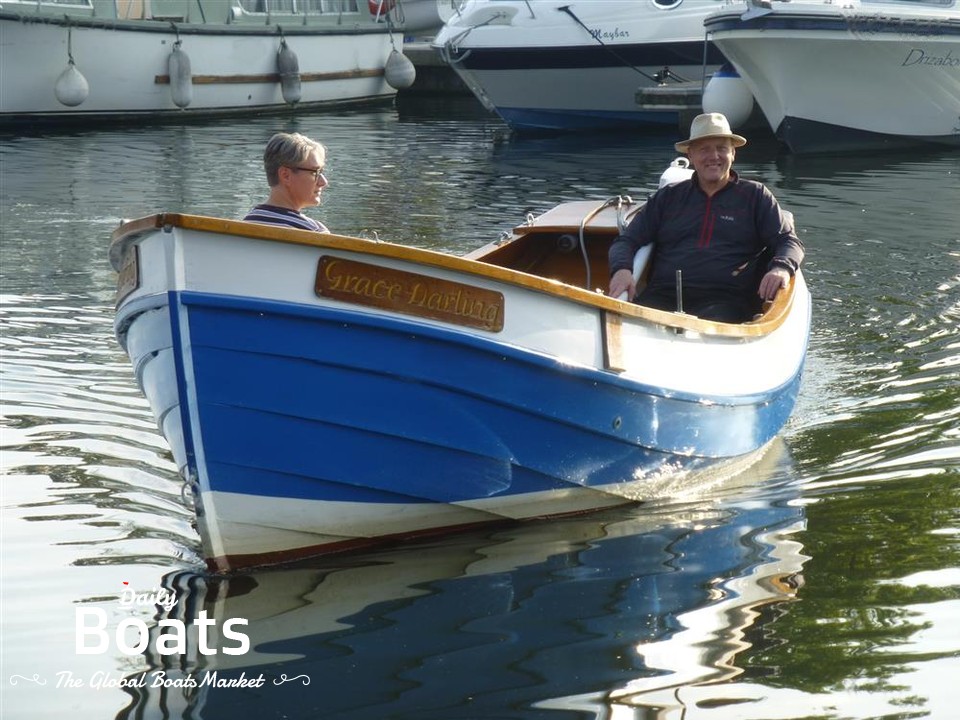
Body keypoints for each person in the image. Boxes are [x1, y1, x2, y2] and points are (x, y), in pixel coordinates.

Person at [608, 113, 804, 323]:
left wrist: (781, 268)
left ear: (733, 153)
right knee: (632, 323)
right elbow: (627, 241)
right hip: (662, 295)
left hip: (726, 301)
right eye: (704, 149)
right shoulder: (668, 197)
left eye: (721, 148)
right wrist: (622, 270)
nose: (714, 156)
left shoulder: (756, 196)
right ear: (691, 155)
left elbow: (789, 241)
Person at [244, 132, 330, 232]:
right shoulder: (315, 231)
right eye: (314, 172)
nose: (323, 182)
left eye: (321, 172)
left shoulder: (244, 225)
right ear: (286, 175)